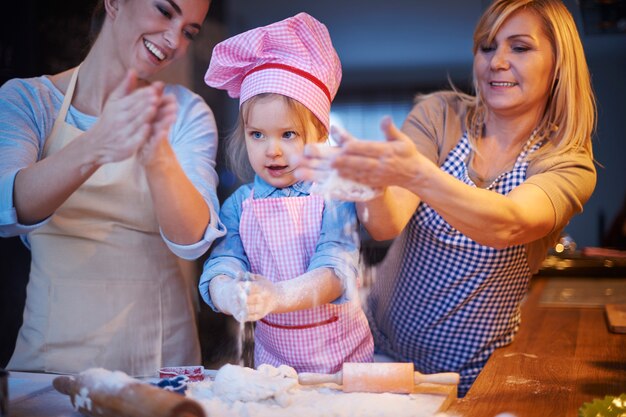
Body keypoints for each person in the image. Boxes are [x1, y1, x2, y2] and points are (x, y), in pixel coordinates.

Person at [295, 0, 596, 395]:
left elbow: (508, 223)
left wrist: (418, 174)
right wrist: (368, 185)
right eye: (487, 46)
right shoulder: (441, 115)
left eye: (519, 47)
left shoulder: (567, 163)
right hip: (379, 352)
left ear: (558, 64)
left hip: (472, 378)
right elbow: (386, 223)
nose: (497, 61)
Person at [0, 0, 225, 376]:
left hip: (163, 364)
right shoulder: (28, 101)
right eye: (165, 11)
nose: (173, 40)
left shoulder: (187, 112)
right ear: (116, 3)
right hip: (49, 367)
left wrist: (157, 157)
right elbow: (8, 208)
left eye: (189, 31)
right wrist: (95, 145)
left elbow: (193, 240)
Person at [199, 12, 374, 373]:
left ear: (319, 135)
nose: (271, 150)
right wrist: (227, 291)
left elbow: (336, 268)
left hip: (343, 359)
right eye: (257, 134)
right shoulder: (239, 205)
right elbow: (224, 261)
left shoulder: (333, 195)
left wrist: (277, 296)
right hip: (274, 362)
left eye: (288, 134)